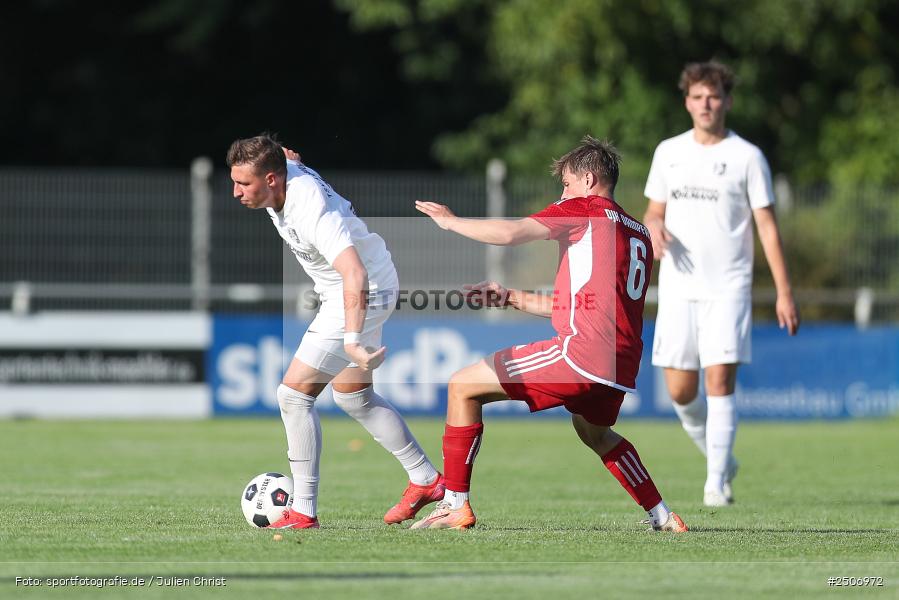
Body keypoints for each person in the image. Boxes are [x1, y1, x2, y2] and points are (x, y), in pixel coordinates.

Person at [410, 136, 687, 532]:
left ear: (588, 179)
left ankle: (454, 504)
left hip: (583, 355)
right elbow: (578, 305)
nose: (563, 193)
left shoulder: (584, 209)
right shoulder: (636, 231)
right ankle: (663, 515)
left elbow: (511, 234)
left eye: (567, 183)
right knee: (593, 430)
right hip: (619, 366)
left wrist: (451, 222)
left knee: (461, 385)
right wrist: (509, 297)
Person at [226, 134, 444, 528]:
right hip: (362, 283)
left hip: (361, 290)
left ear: (272, 179)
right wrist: (291, 158)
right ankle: (426, 480)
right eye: (234, 181)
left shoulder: (310, 208)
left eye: (244, 184)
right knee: (354, 397)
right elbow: (289, 159)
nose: (236, 192)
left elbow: (354, 273)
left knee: (292, 395)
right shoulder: (284, 172)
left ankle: (303, 510)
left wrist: (352, 339)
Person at [642, 61, 800, 507]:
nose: (705, 104)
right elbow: (654, 211)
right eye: (697, 96)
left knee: (720, 380)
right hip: (678, 285)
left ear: (727, 101)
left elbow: (767, 227)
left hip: (728, 286)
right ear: (687, 102)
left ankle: (716, 483)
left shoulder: (747, 157)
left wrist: (785, 291)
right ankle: (720, 458)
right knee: (679, 391)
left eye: (713, 96)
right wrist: (653, 226)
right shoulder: (669, 151)